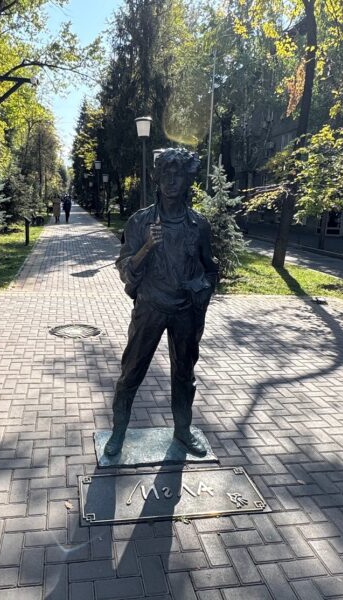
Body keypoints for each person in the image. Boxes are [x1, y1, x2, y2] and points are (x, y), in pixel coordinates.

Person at [103, 147, 218, 458]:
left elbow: (211, 269)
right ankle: (118, 433)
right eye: (165, 173)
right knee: (131, 372)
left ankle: (182, 430)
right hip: (150, 308)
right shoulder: (140, 223)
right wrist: (147, 248)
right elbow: (125, 270)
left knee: (185, 375)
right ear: (156, 178)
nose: (171, 180)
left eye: (177, 174)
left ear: (186, 180)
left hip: (185, 312)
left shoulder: (198, 225)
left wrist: (202, 292)